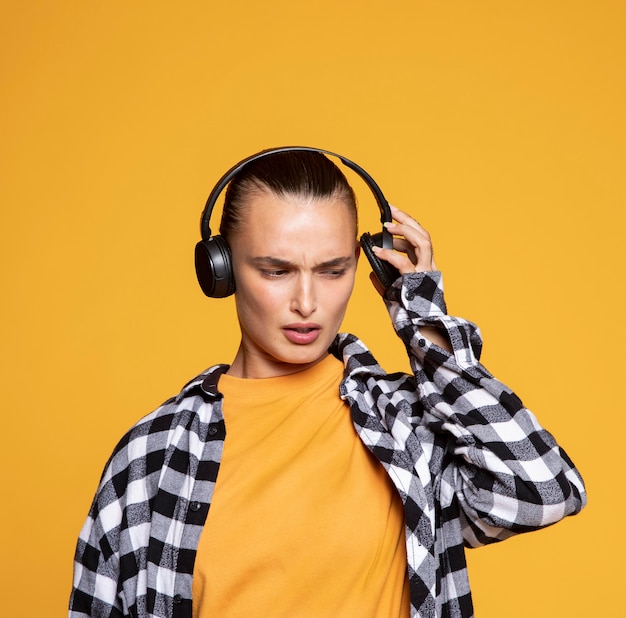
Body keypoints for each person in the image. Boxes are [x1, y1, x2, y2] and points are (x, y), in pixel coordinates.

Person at [69, 149, 586, 618]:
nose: (307, 303)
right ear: (220, 270)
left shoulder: (406, 426)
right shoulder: (153, 457)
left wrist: (421, 317)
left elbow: (543, 490)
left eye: (333, 271)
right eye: (276, 271)